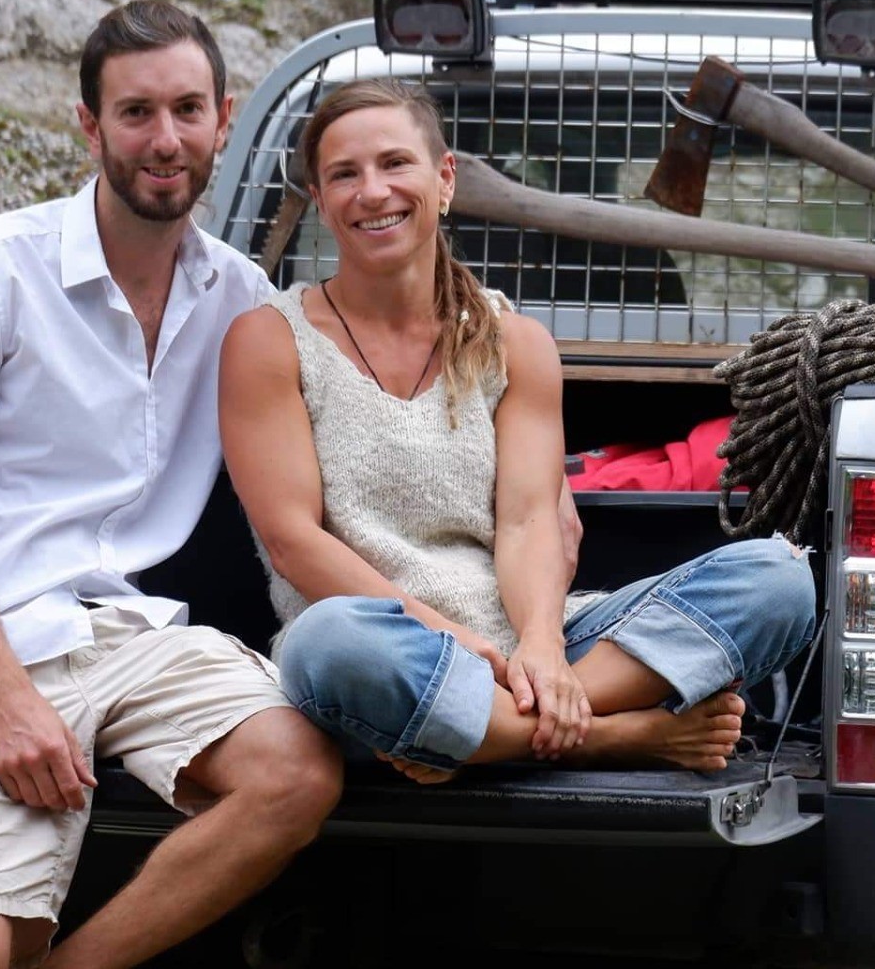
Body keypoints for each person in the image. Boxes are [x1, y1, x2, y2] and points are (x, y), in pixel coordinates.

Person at [0, 0, 343, 969]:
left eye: (187, 109)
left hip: (123, 633)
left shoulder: (244, 298)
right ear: (89, 125)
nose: (165, 139)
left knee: (294, 773)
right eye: (135, 112)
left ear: (224, 119)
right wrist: (7, 701)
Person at [219, 78, 817, 781]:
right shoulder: (269, 341)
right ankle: (613, 736)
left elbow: (531, 521)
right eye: (344, 174)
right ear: (320, 201)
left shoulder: (516, 342)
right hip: (382, 647)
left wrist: (539, 648)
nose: (372, 191)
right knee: (326, 644)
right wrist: (448, 637)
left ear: (444, 179)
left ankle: (480, 729)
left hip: (536, 644)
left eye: (394, 164)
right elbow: (294, 542)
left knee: (781, 580)